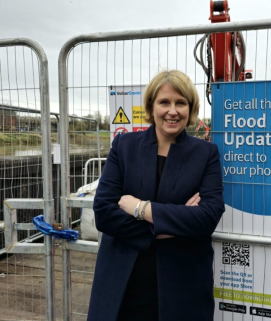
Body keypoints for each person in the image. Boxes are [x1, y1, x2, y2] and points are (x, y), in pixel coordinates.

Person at [87, 70, 224, 321]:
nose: (173, 111)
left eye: (180, 103)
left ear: (190, 109)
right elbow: (104, 214)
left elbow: (208, 217)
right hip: (124, 283)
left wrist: (141, 209)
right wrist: (169, 227)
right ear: (151, 106)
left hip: (183, 285)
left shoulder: (206, 154)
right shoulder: (124, 147)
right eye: (164, 102)